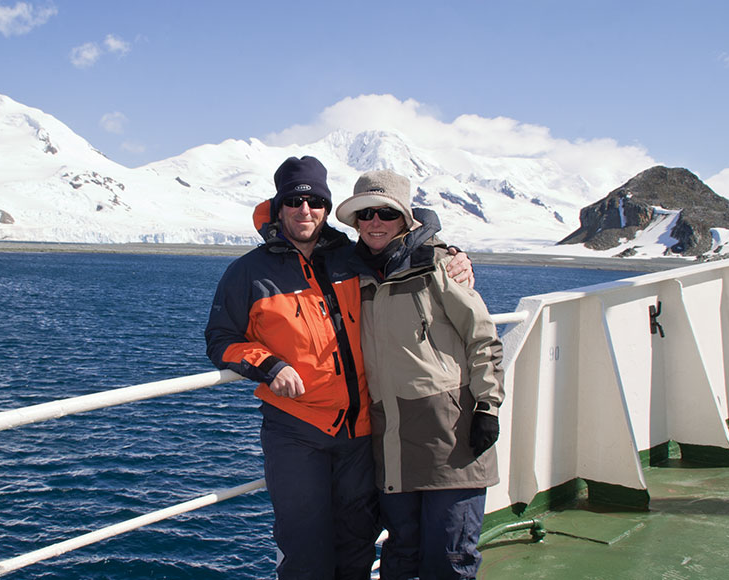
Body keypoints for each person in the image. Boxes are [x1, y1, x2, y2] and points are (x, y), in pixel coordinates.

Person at [204, 156, 473, 579]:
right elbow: (221, 340)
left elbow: (406, 247)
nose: (304, 210)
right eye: (294, 201)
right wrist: (269, 365)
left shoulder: (354, 258)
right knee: (304, 546)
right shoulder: (247, 273)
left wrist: (455, 256)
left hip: (361, 432)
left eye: (314, 201)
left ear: (327, 209)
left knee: (357, 542)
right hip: (296, 429)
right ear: (279, 207)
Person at [335, 169, 505, 580]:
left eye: (385, 213)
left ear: (405, 219)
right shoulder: (349, 275)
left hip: (450, 433)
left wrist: (487, 407)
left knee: (450, 556)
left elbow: (482, 338)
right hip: (389, 436)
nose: (375, 222)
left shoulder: (439, 266)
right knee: (402, 554)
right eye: (365, 214)